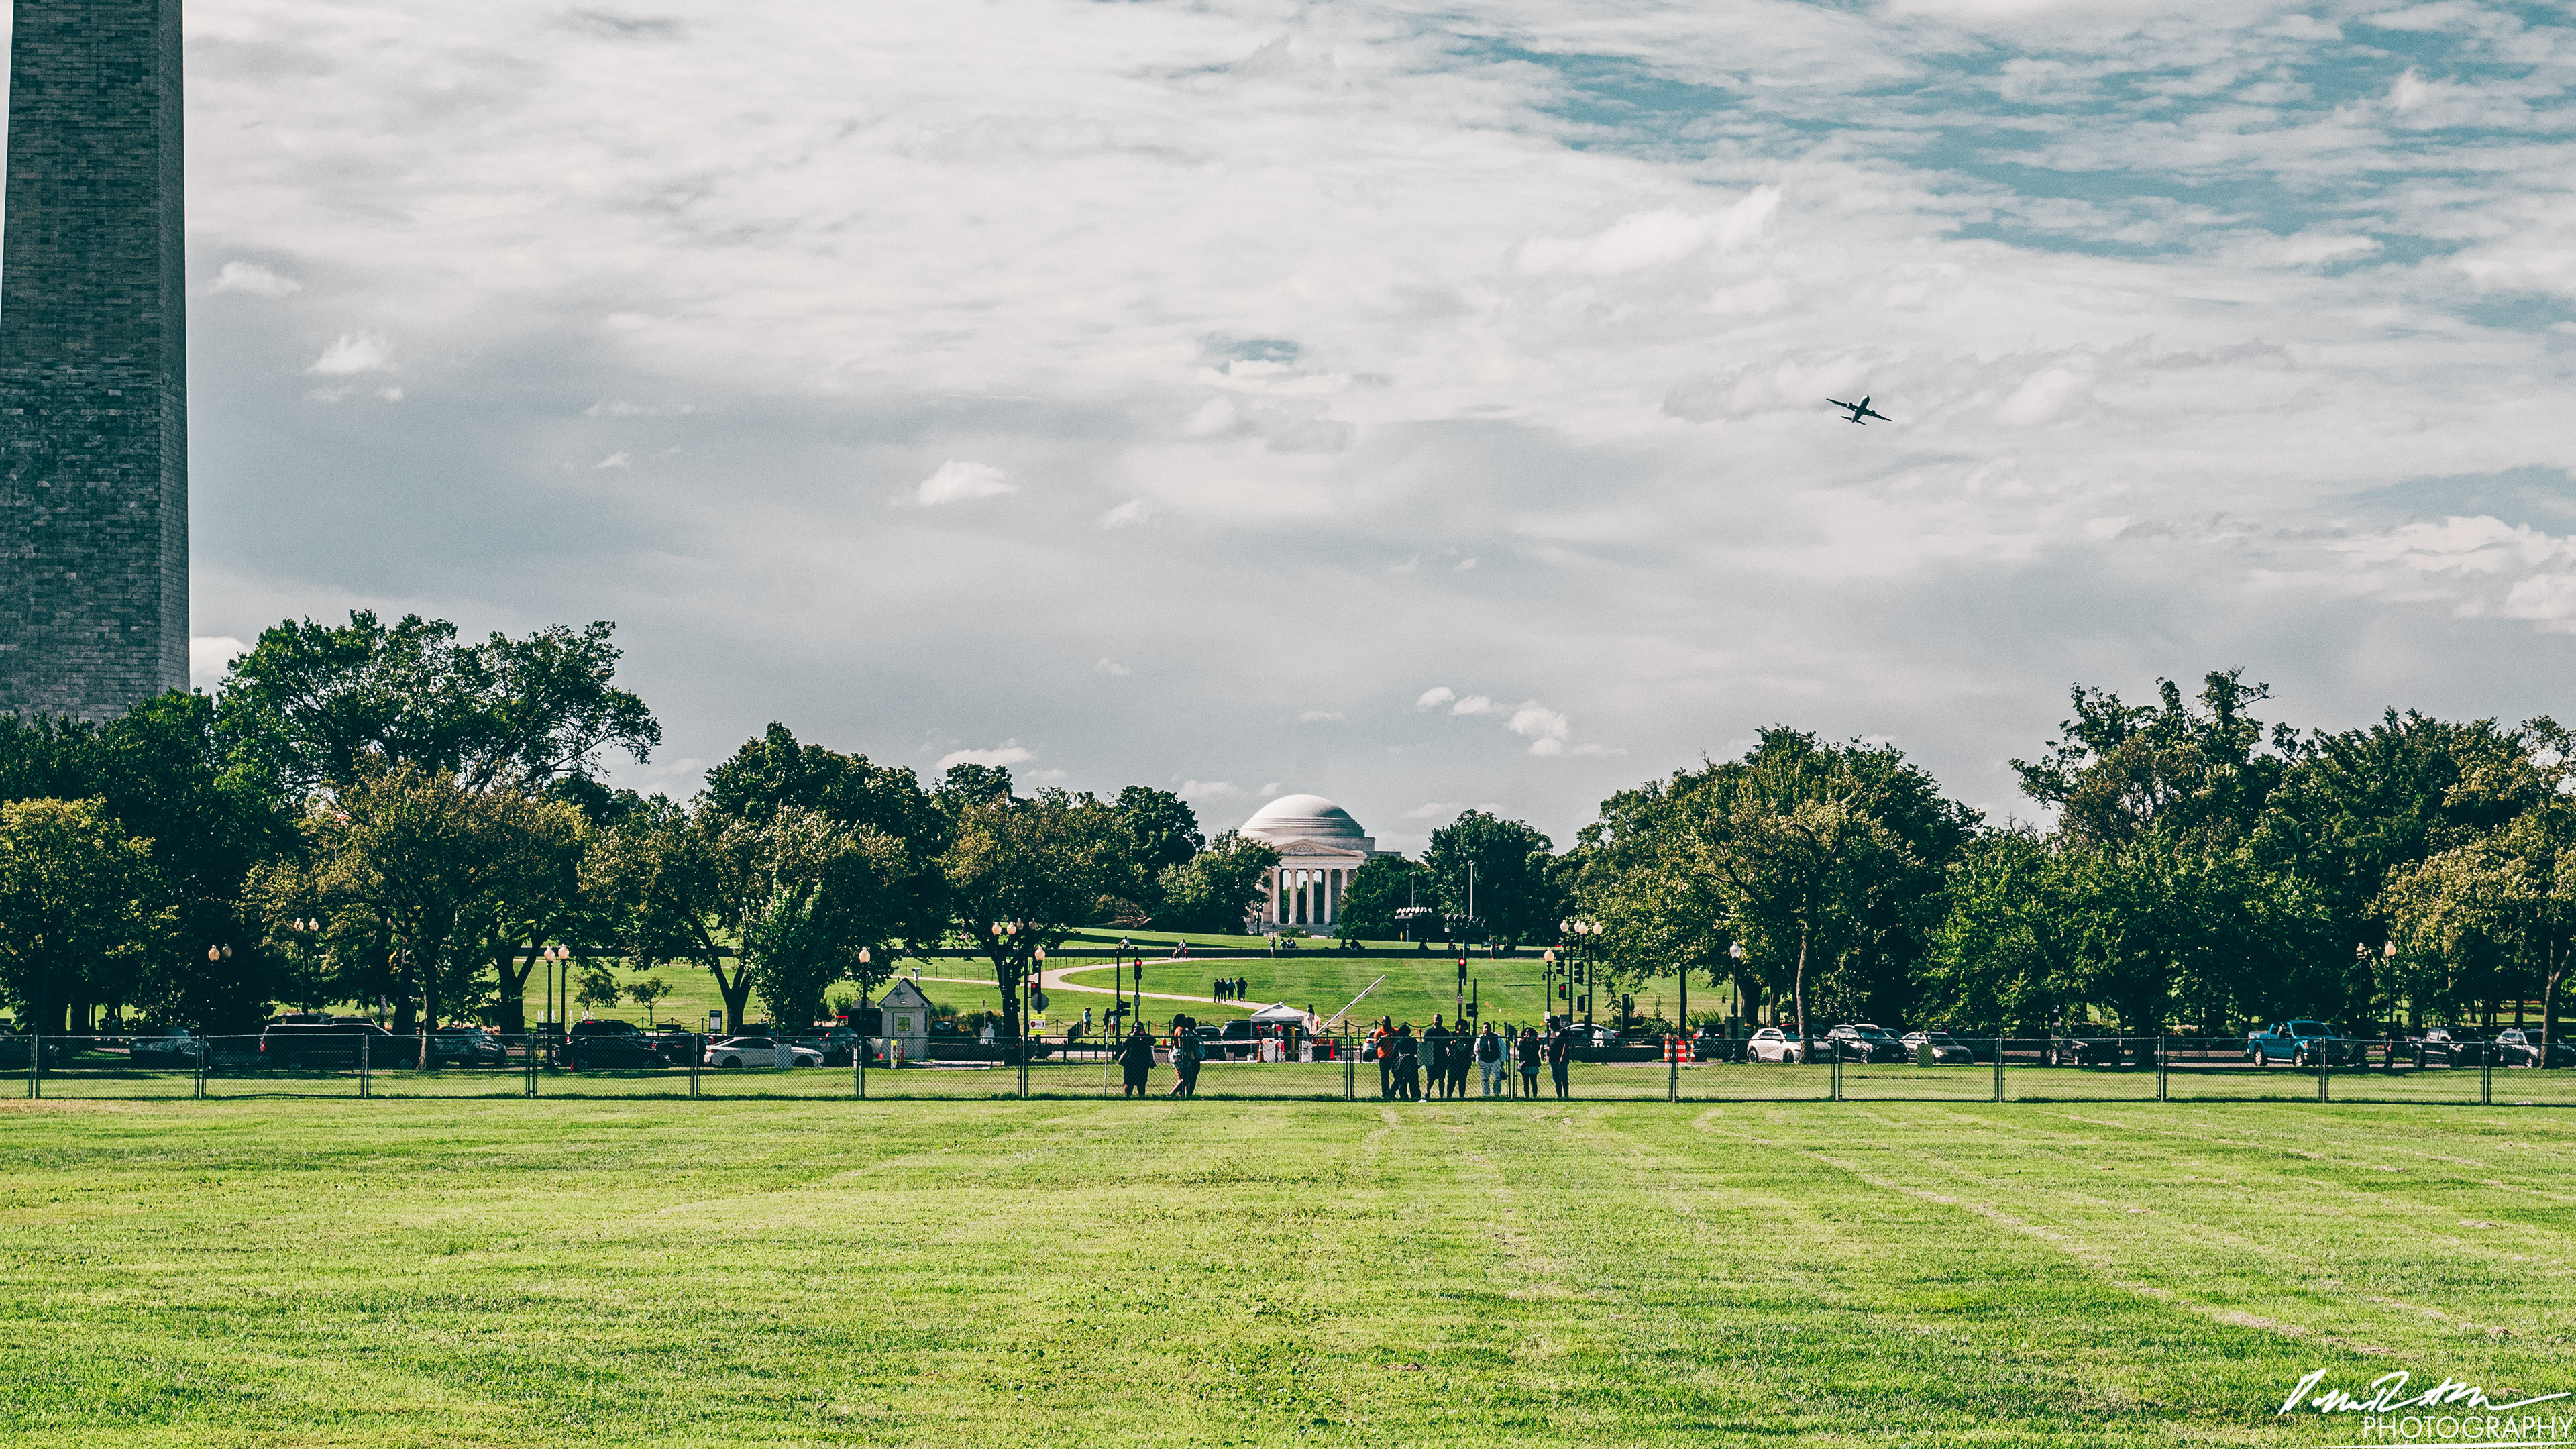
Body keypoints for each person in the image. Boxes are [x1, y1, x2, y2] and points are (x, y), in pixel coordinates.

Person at [1117, 1024, 1156, 1097]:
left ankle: (1141, 1097)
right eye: (1135, 1027)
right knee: (1128, 1083)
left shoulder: (1146, 1037)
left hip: (1143, 1063)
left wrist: (1144, 1036)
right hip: (1130, 1063)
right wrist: (1133, 1036)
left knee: (1141, 1084)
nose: (1137, 1029)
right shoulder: (1129, 1036)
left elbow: (1153, 1042)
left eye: (1139, 1028)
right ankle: (1127, 1097)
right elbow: (1124, 1044)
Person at [1169, 1024, 1202, 1097]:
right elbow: (1182, 1044)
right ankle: (1172, 1094)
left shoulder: (1177, 1029)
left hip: (1178, 1055)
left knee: (1182, 1078)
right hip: (1182, 1056)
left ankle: (1182, 1095)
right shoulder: (1181, 1030)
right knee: (1186, 1079)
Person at [1423, 1015, 1450, 1099]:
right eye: (1436, 1020)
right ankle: (1427, 1093)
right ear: (1433, 1021)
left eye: (1439, 1020)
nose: (1437, 1022)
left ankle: (1441, 1096)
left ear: (1442, 1021)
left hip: (1442, 1058)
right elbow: (1424, 1044)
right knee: (1430, 1078)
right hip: (1431, 1058)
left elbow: (1448, 1043)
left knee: (1442, 1079)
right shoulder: (1429, 1032)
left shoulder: (1445, 1032)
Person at [1477, 1024, 1505, 1097]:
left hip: (1495, 1060)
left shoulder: (1496, 1037)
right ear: (1483, 1029)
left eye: (1488, 1028)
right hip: (1484, 1061)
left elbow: (1502, 1048)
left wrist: (1502, 1060)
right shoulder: (1480, 1038)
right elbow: (1476, 1049)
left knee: (1497, 1079)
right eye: (1485, 1028)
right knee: (1485, 1079)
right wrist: (1477, 1053)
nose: (1486, 1030)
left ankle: (1497, 1094)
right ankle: (1486, 1094)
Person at [1548, 1021, 1575, 1099]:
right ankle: (1559, 1096)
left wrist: (1562, 1057)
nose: (1549, 1024)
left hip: (1561, 1059)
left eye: (1550, 1022)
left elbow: (1565, 1044)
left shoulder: (1562, 1031)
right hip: (1553, 1058)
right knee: (1556, 1079)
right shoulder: (1552, 1033)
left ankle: (1566, 1095)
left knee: (1563, 1078)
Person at [1394, 1024, 1421, 1101]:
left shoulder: (1398, 1042)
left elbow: (1395, 1054)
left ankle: (1403, 1095)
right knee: (1414, 1081)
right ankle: (1416, 1096)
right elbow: (1418, 1051)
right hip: (1412, 1063)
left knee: (1402, 1081)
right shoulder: (1413, 1041)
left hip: (1401, 1064)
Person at [1373, 1016, 1396, 1098]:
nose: (1389, 1024)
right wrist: (1382, 1039)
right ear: (1383, 1022)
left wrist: (1394, 1037)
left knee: (1398, 1076)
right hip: (1384, 1057)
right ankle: (1385, 1094)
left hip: (1393, 1057)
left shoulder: (1394, 1031)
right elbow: (1375, 1045)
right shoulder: (1379, 1032)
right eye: (1387, 1022)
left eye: (1389, 1022)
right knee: (1384, 1078)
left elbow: (1400, 1037)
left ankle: (1392, 1092)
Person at [1517, 1026, 1542, 1097]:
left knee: (1534, 1082)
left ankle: (1535, 1096)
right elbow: (1520, 1048)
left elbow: (1535, 1049)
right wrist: (1524, 1040)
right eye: (1527, 1032)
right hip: (1525, 1064)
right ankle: (1527, 1096)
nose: (1529, 1034)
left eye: (1530, 1032)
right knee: (1526, 1082)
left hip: (1533, 1064)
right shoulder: (1522, 1042)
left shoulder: (1536, 1042)